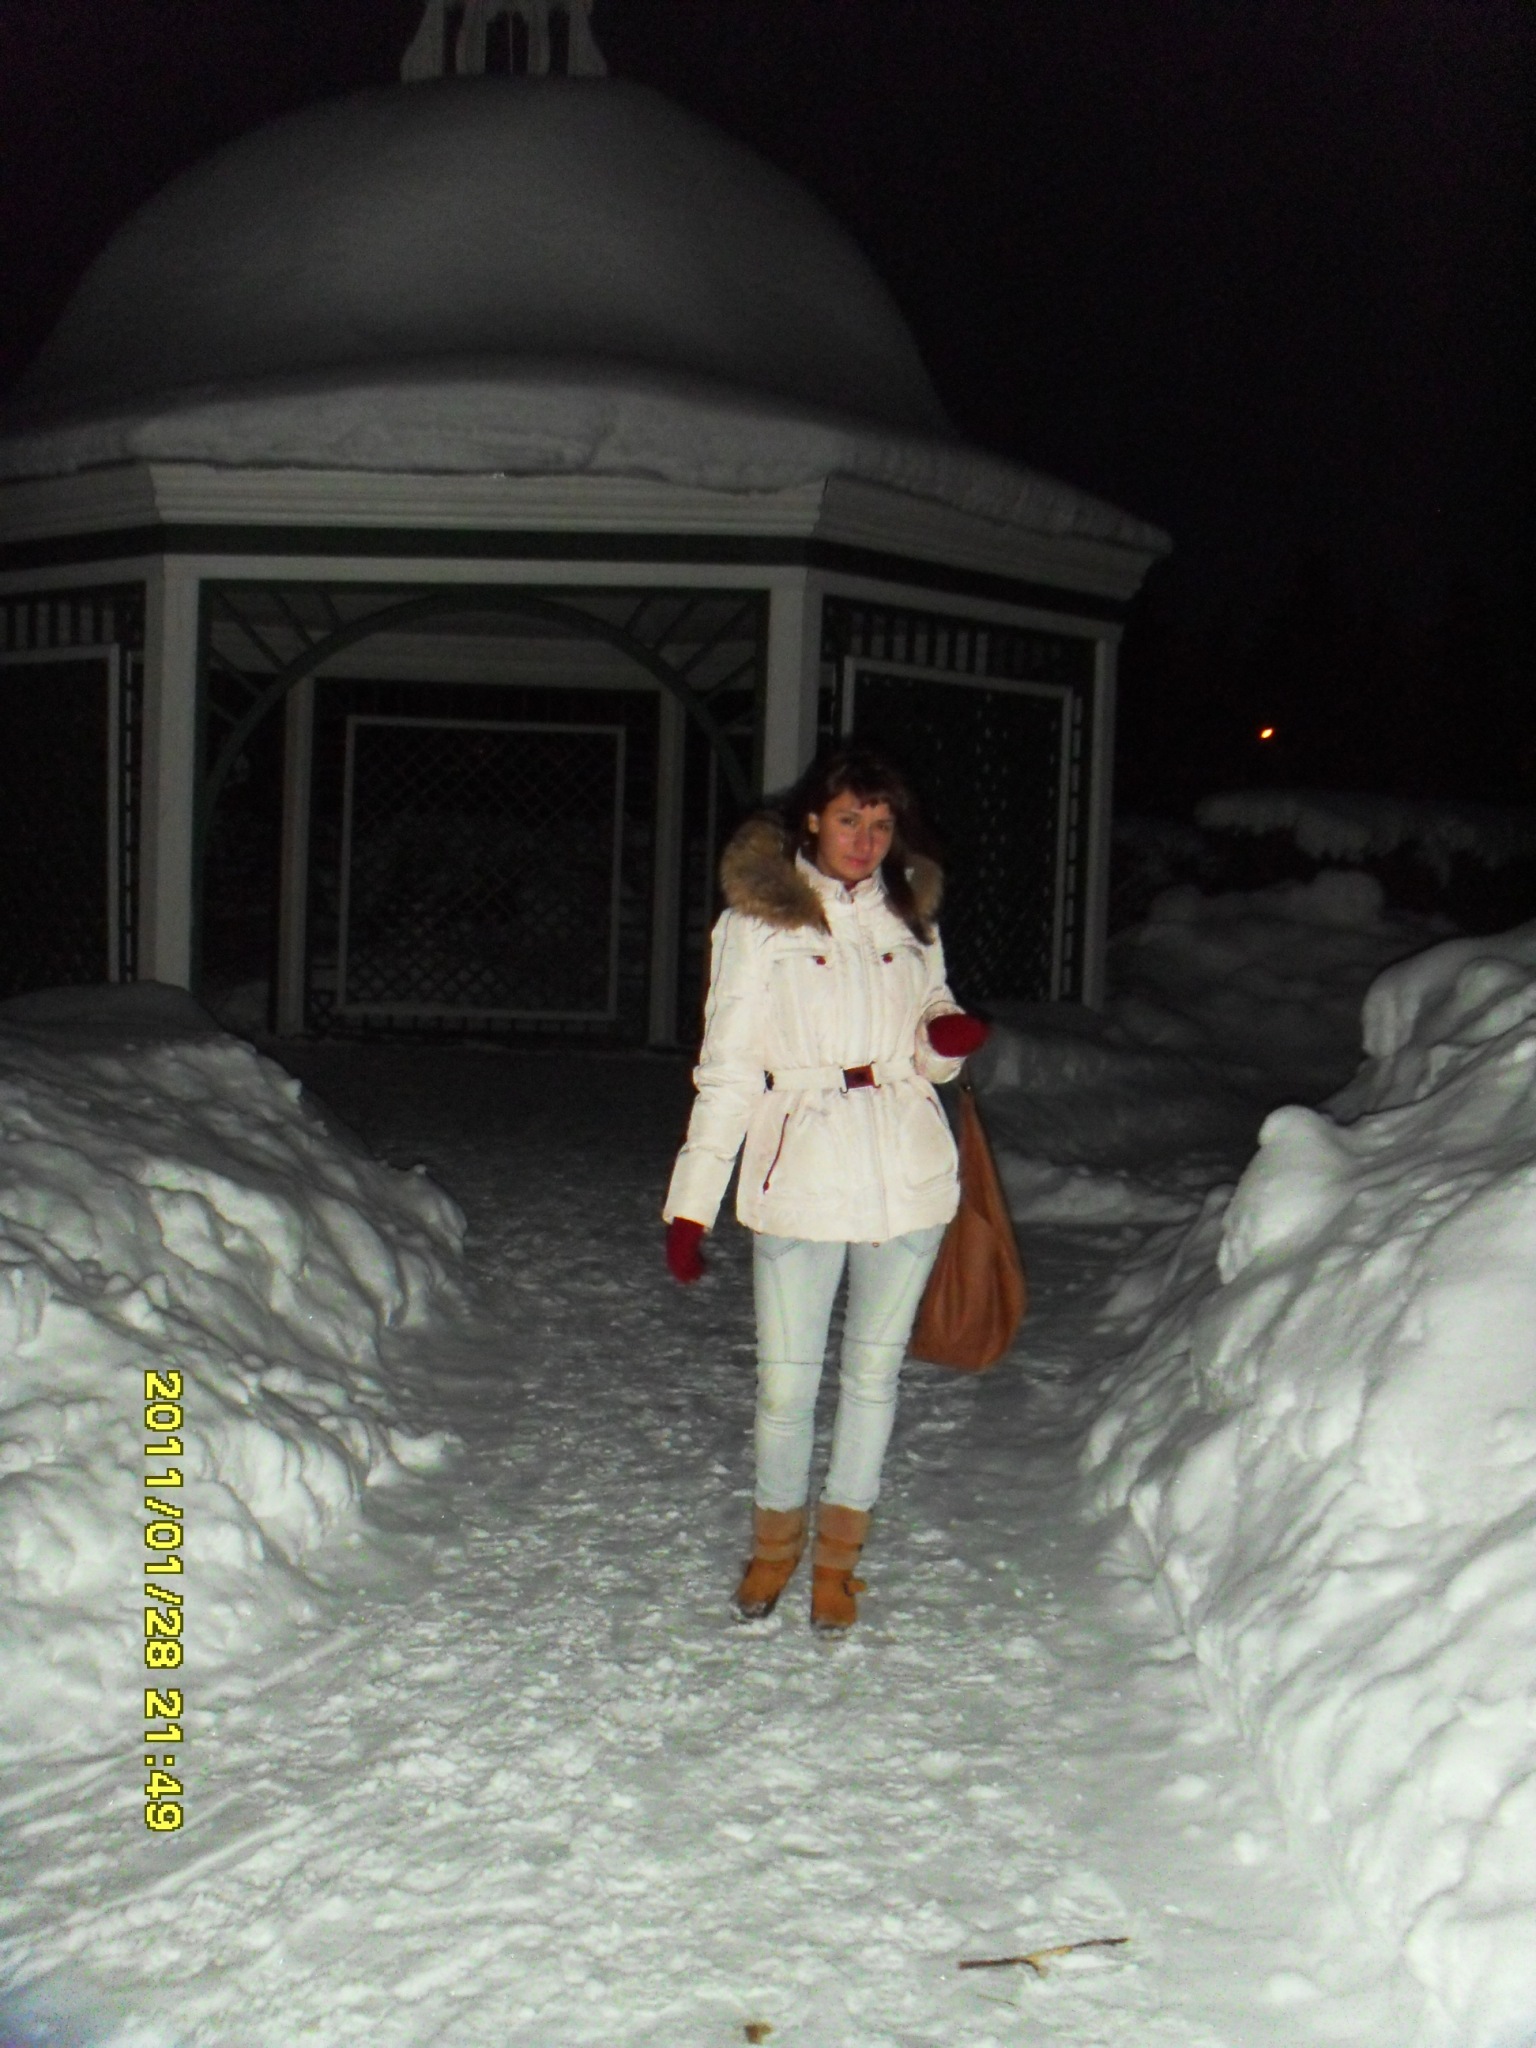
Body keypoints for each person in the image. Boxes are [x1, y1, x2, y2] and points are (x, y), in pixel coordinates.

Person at [662, 745, 989, 1630]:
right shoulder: (758, 924)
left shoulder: (909, 915)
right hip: (800, 1167)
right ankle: (774, 1549)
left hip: (904, 1173)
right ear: (813, 819)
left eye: (881, 824)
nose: (866, 840)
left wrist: (943, 1040)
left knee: (873, 1378)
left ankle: (838, 1563)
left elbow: (929, 1037)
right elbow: (727, 1071)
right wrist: (691, 1205)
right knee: (786, 1386)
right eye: (851, 820)